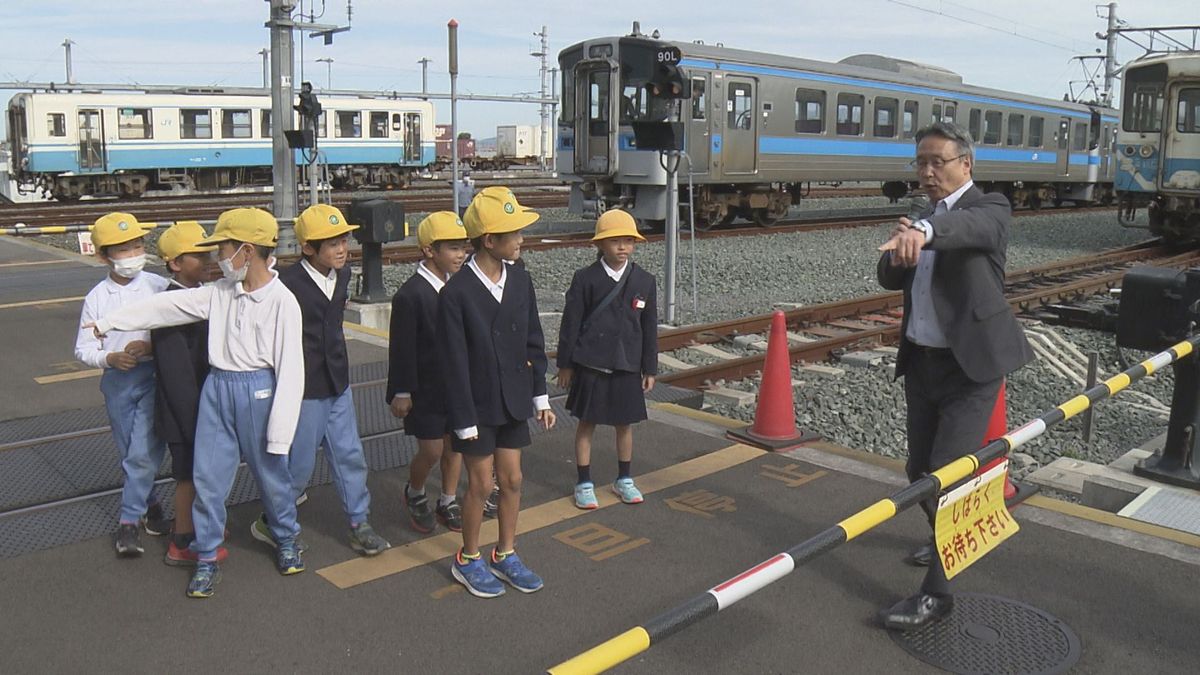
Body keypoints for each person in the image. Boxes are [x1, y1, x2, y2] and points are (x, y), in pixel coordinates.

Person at [89, 208, 306, 599]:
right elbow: (167, 308)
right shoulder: (221, 292)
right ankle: (206, 557)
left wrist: (280, 432)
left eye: (223, 248)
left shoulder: (282, 301)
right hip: (217, 390)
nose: (218, 257)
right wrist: (111, 321)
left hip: (258, 391)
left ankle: (286, 537)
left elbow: (292, 370)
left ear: (246, 250)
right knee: (207, 477)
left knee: (272, 472)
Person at [875, 121, 1034, 630]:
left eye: (936, 162)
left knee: (947, 472)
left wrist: (924, 231)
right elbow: (888, 276)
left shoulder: (989, 208)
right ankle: (954, 534)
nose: (926, 172)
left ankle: (937, 595)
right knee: (918, 471)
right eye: (920, 162)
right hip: (922, 362)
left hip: (971, 369)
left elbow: (969, 232)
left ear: (965, 164)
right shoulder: (923, 215)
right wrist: (902, 242)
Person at [439, 186, 556, 598]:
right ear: (490, 240)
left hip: (513, 397)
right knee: (480, 484)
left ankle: (505, 552)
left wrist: (539, 396)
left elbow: (533, 341)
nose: (522, 238)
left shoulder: (521, 279)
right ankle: (468, 557)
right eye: (514, 232)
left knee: (513, 479)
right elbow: (452, 362)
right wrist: (463, 418)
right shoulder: (455, 293)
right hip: (475, 405)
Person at [274, 203, 390, 556]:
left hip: (337, 381)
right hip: (304, 387)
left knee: (349, 453)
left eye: (344, 239)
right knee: (299, 462)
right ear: (308, 248)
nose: (342, 248)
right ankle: (276, 519)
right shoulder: (286, 284)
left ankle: (359, 521)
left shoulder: (342, 275)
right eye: (332, 243)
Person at [75, 212, 171, 557]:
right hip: (117, 383)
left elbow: (173, 334)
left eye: (137, 245)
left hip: (152, 378)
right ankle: (153, 507)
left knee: (142, 451)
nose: (133, 253)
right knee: (130, 452)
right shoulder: (96, 297)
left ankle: (128, 523)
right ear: (103, 256)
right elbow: (83, 348)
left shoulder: (158, 286)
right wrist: (109, 359)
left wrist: (150, 348)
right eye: (123, 249)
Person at [555, 209, 657, 509]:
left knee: (624, 424)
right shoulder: (586, 278)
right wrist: (565, 364)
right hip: (592, 363)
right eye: (615, 241)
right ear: (600, 244)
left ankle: (624, 478)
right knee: (587, 423)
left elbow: (649, 327)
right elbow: (570, 323)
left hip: (627, 364)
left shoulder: (644, 280)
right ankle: (584, 481)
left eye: (628, 240)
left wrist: (649, 367)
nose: (623, 247)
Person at [151, 221, 229, 567]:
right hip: (185, 408)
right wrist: (196, 417)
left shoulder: (197, 294)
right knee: (187, 472)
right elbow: (176, 373)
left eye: (209, 252)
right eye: (198, 255)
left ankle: (200, 526)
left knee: (202, 470)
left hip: (200, 402)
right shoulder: (169, 305)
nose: (208, 259)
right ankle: (182, 538)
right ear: (175, 263)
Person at [388, 211, 469, 534]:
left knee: (456, 445)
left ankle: (447, 499)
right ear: (429, 250)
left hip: (458, 385)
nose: (460, 254)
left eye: (463, 247)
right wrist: (402, 391)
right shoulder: (412, 294)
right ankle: (416, 490)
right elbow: (402, 347)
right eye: (452, 248)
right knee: (432, 449)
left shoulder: (462, 285)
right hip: (426, 387)